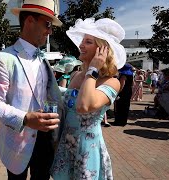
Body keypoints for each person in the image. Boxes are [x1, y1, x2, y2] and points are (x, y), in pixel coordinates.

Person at [0, 0, 62, 179]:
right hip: (17, 141)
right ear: (30, 21)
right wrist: (25, 119)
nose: (50, 31)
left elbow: (48, 92)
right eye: (47, 24)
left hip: (46, 139)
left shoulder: (43, 59)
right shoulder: (3, 58)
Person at [51, 18, 126, 180]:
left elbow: (83, 106)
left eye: (88, 42)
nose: (81, 45)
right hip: (66, 144)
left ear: (102, 50)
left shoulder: (111, 82)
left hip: (87, 148)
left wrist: (93, 69)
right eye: (82, 41)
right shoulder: (76, 75)